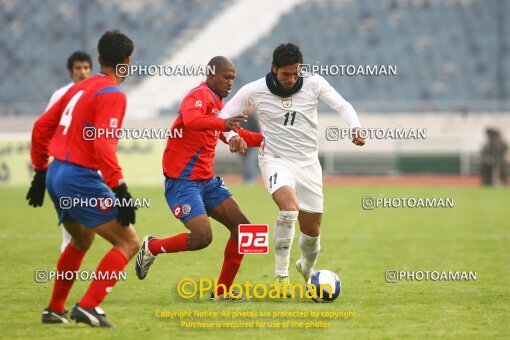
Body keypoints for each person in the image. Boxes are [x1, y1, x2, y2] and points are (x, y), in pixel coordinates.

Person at [219, 43, 365, 295]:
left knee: (312, 233)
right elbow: (222, 116)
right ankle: (281, 275)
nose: (292, 78)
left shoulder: (314, 83)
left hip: (308, 163)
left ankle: (306, 268)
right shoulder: (254, 90)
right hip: (275, 159)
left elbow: (342, 105)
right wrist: (232, 135)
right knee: (288, 209)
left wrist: (355, 126)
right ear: (274, 69)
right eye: (286, 73)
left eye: (296, 72)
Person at [27, 30, 139, 327]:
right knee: (128, 242)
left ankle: (54, 309)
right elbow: (103, 144)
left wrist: (40, 172)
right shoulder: (113, 94)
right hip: (78, 176)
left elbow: (41, 126)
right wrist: (121, 189)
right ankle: (88, 306)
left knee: (81, 239)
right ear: (127, 62)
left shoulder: (77, 88)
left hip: (56, 172)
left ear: (99, 59)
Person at [135, 56, 263, 301]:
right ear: (211, 73)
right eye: (226, 77)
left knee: (244, 230)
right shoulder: (199, 95)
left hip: (207, 181)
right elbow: (193, 120)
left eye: (233, 79)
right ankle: (152, 247)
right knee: (202, 238)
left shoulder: (218, 106)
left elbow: (235, 133)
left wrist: (271, 140)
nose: (230, 83)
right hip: (183, 182)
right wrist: (225, 124)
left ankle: (222, 292)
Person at [45, 50, 93, 253]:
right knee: (74, 228)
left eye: (85, 68)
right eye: (78, 68)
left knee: (93, 222)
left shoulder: (95, 93)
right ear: (70, 71)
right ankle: (68, 250)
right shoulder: (60, 94)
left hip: (91, 165)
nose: (82, 72)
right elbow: (46, 126)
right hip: (67, 163)